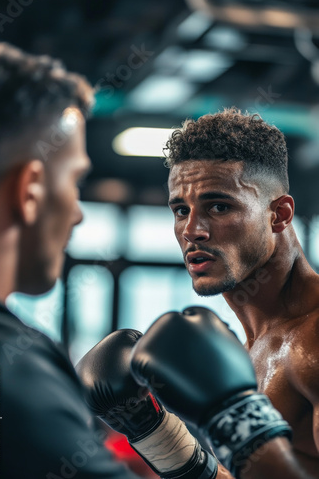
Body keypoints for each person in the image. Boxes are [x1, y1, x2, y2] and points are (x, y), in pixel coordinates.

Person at [0, 41, 219, 479]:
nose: (77, 213)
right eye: (74, 181)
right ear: (30, 190)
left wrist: (155, 433)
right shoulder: (4, 368)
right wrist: (237, 416)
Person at [129, 108, 319, 479]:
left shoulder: (313, 342)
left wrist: (235, 419)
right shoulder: (246, 348)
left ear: (278, 215)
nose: (192, 230)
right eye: (180, 210)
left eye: (219, 206)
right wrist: (151, 432)